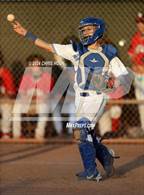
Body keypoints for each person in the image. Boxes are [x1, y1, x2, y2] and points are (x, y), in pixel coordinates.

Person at [11, 17, 132, 181]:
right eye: (83, 30)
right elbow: (48, 47)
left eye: (89, 29)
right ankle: (106, 157)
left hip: (96, 97)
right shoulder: (76, 49)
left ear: (99, 30)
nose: (85, 32)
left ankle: (91, 171)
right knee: (85, 134)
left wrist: (114, 81)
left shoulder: (109, 54)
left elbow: (123, 76)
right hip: (79, 99)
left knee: (81, 131)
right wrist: (25, 33)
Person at [12, 54, 54, 139]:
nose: (35, 67)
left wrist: (35, 97)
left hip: (41, 102)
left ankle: (39, 134)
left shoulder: (47, 77)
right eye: (32, 64)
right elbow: (21, 93)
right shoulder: (26, 76)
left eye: (37, 64)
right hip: (27, 102)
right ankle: (16, 134)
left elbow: (46, 95)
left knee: (44, 109)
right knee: (16, 108)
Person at [128, 12, 144, 135]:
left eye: (142, 22)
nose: (140, 25)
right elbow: (131, 57)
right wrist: (134, 65)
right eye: (138, 23)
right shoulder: (135, 38)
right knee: (141, 104)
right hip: (139, 76)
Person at [0, 51, 16, 139]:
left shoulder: (5, 73)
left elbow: (11, 93)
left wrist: (5, 94)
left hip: (4, 101)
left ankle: (5, 133)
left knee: (6, 108)